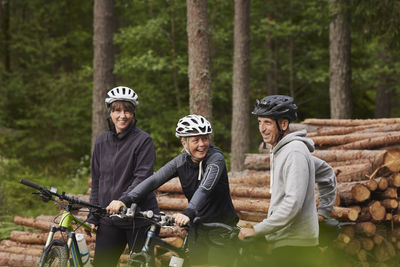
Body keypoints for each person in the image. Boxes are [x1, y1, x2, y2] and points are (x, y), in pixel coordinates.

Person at [107, 114, 239, 266]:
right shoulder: (181, 161)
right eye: (196, 140)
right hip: (197, 229)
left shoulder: (216, 159)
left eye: (205, 138)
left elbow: (205, 188)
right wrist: (125, 200)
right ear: (184, 143)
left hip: (221, 230)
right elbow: (154, 180)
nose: (202, 144)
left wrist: (188, 212)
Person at [238, 95, 336, 267]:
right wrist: (323, 211)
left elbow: (293, 203)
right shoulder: (284, 151)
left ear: (283, 124)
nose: (262, 128)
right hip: (287, 243)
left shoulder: (294, 152)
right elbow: (326, 172)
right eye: (259, 122)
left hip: (295, 247)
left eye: (267, 122)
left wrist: (257, 230)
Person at [87, 86, 159, 267]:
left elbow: (142, 178)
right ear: (110, 113)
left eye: (127, 110)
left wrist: (122, 200)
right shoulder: (101, 141)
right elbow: (97, 180)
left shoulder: (143, 141)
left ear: (133, 113)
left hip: (139, 218)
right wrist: (93, 216)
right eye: (117, 110)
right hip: (110, 219)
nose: (122, 115)